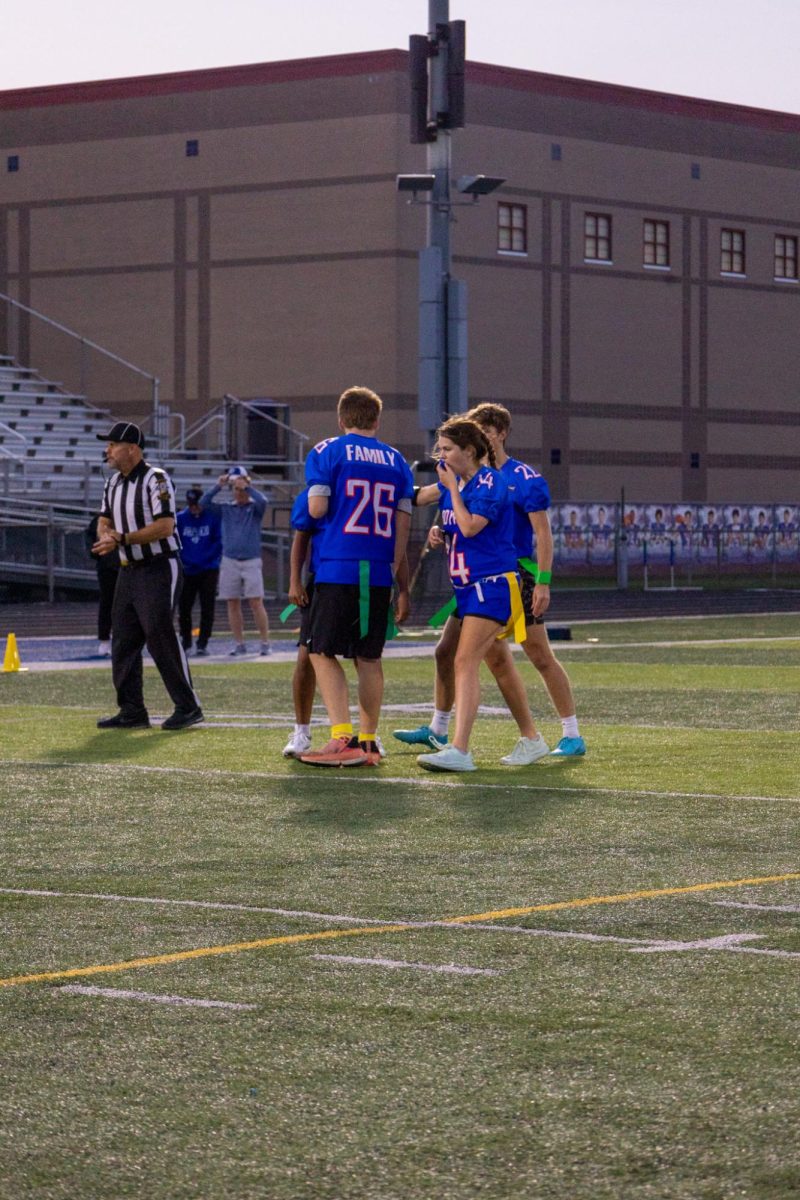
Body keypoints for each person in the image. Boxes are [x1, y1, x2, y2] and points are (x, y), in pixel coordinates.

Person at [395, 402, 585, 759]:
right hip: (474, 579)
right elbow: (432, 503)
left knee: (538, 655)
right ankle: (442, 729)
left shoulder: (518, 479)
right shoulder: (464, 476)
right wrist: (439, 527)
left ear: (498, 434)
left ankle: (570, 733)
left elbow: (542, 535)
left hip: (508, 577)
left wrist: (542, 581)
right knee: (452, 652)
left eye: (484, 429)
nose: (479, 434)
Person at [412, 416, 548, 772]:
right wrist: (440, 532)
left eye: (446, 449)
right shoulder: (459, 482)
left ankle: (459, 748)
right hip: (469, 588)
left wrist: (452, 493)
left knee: (464, 660)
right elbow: (454, 522)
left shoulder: (490, 480)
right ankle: (532, 739)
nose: (440, 456)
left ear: (469, 450)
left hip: (492, 585)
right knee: (495, 661)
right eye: (438, 449)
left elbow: (472, 526)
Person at [298, 386, 413, 767]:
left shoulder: (326, 451)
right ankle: (368, 741)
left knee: (320, 650)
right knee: (368, 656)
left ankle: (341, 736)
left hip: (338, 565)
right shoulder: (397, 460)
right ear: (377, 420)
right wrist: (399, 579)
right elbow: (402, 528)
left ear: (341, 418)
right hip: (379, 570)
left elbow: (316, 507)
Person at [93, 421, 203, 730]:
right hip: (129, 570)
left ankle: (188, 705)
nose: (108, 450)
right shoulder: (113, 483)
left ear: (132, 449)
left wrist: (122, 538)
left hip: (158, 566)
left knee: (158, 633)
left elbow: (165, 526)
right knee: (124, 640)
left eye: (113, 444)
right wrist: (105, 535)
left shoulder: (157, 479)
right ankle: (132, 710)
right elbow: (104, 518)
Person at [200, 467, 272, 656]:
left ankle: (265, 642)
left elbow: (263, 501)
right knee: (232, 602)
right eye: (236, 489)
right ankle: (239, 644)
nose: (239, 493)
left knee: (256, 602)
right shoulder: (226, 508)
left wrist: (247, 488)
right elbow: (204, 502)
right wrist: (219, 485)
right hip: (230, 559)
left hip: (251, 559)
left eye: (241, 489)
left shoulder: (254, 508)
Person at [176, 487, 222, 656]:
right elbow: (176, 543)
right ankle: (186, 642)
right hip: (187, 569)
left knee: (207, 607)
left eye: (197, 504)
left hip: (208, 569)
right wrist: (186, 561)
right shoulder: (180, 518)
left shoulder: (213, 518)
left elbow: (218, 542)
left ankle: (203, 642)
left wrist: (205, 559)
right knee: (184, 608)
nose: (194, 508)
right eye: (191, 504)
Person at [84, 512, 119, 657]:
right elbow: (91, 538)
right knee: (107, 603)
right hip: (108, 567)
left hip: (127, 566)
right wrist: (99, 555)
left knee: (127, 605)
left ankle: (124, 640)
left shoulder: (127, 515)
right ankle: (105, 640)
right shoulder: (100, 519)